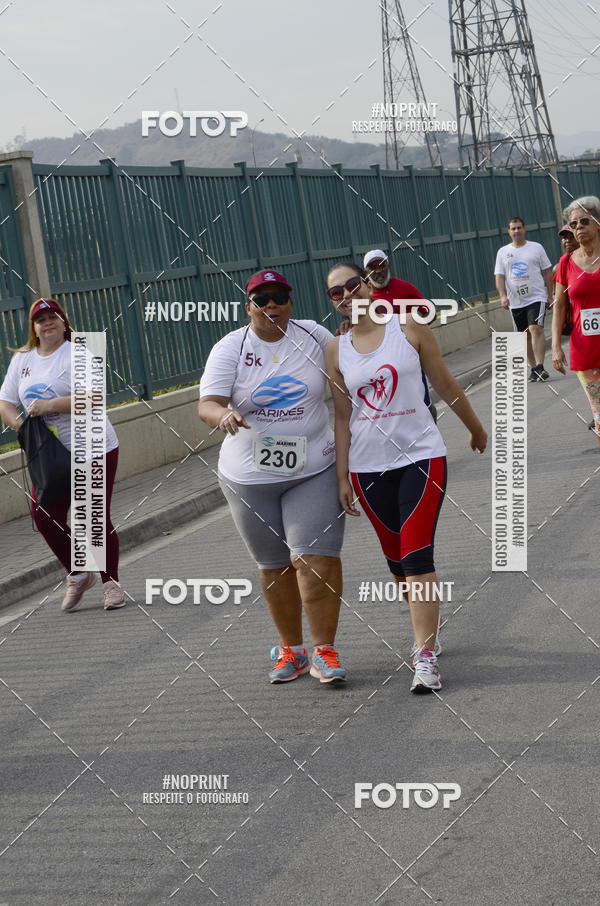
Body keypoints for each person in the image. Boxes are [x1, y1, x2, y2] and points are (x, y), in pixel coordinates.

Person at [323, 263, 487, 694]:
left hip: (420, 457)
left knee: (416, 557)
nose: (344, 295)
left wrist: (475, 427)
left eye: (350, 285)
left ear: (367, 285)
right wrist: (342, 476)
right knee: (397, 562)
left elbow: (445, 382)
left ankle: (425, 655)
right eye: (334, 292)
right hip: (367, 468)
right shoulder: (336, 351)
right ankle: (427, 628)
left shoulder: (407, 327)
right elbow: (342, 418)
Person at [198, 270, 347, 684]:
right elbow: (206, 403)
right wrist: (223, 414)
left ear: (291, 303)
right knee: (274, 566)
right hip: (248, 477)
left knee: (315, 560)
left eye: (279, 297)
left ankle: (324, 651)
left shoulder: (315, 336)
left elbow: (348, 381)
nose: (271, 306)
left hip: (312, 467)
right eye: (261, 299)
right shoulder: (230, 347)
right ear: (248, 307)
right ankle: (292, 651)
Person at [0, 299, 124, 611]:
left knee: (92, 517)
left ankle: (111, 583)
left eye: (53, 316)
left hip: (92, 446)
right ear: (34, 328)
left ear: (63, 321)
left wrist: (49, 406)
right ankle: (79, 573)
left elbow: (95, 398)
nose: (48, 323)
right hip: (48, 453)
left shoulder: (78, 352)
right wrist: (22, 426)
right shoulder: (22, 359)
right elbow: (4, 400)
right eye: (40, 320)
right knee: (44, 516)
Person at [362, 249, 437, 422]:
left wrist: (412, 331)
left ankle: (430, 432)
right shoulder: (364, 296)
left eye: (381, 265)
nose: (378, 270)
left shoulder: (404, 287)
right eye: (373, 267)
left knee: (422, 402)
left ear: (388, 265)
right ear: (366, 273)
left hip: (410, 357)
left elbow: (430, 312)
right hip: (380, 362)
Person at [552, 196, 600, 449]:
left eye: (584, 221)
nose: (578, 227)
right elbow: (559, 305)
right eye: (573, 224)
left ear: (597, 224)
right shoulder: (566, 263)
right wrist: (557, 346)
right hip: (585, 350)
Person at [494, 216, 554, 382]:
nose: (516, 231)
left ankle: (540, 366)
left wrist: (550, 294)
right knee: (524, 336)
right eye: (513, 228)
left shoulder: (536, 248)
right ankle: (534, 368)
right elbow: (499, 276)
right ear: (508, 231)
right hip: (516, 301)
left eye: (519, 227)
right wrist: (502, 296)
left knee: (535, 328)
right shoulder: (503, 252)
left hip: (536, 296)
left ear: (524, 229)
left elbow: (547, 272)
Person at [552, 224, 579, 338]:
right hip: (573, 320)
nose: (567, 241)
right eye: (564, 238)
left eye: (571, 237)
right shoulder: (558, 267)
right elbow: (557, 298)